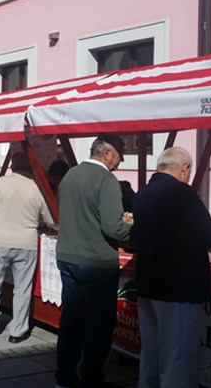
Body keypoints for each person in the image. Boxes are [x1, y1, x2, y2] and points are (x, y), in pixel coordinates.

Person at [132, 147, 211, 387]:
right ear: (185, 169)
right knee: (177, 360)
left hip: (148, 284)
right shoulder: (182, 194)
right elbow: (209, 234)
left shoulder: (142, 195)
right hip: (179, 288)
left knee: (151, 355)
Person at [55, 134, 131, 388]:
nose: (119, 163)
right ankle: (92, 377)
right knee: (99, 325)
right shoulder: (106, 180)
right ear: (107, 153)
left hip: (68, 256)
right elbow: (114, 229)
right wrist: (134, 227)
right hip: (96, 262)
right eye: (119, 157)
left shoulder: (71, 174)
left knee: (71, 321)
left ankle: (64, 377)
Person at [0, 153, 54, 343]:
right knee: (22, 287)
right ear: (31, 168)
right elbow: (51, 218)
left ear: (12, 165)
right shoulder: (37, 187)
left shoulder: (1, 183)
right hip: (26, 242)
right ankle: (18, 330)